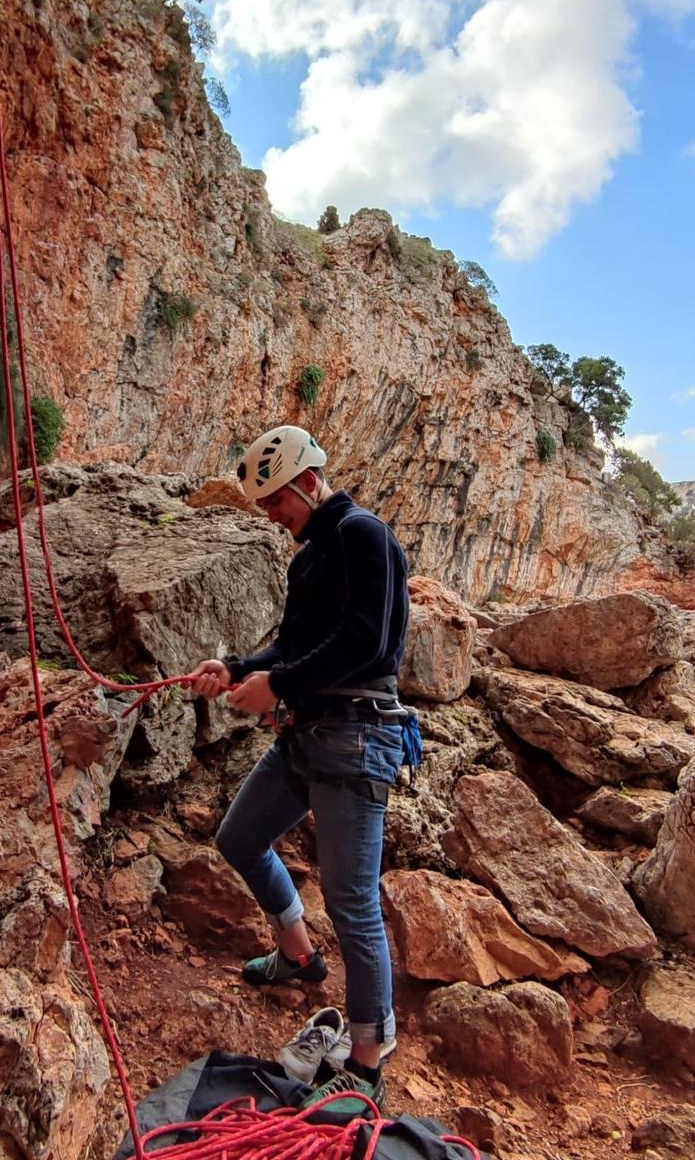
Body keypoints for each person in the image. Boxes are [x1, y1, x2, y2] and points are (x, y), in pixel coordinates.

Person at [188, 424, 418, 1114]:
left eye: (275, 501)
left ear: (306, 483)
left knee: (351, 904)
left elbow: (365, 641)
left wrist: (279, 686)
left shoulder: (363, 535)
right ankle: (296, 958)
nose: (272, 516)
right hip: (309, 735)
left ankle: (368, 1061)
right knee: (238, 838)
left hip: (355, 739)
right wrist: (236, 668)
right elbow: (292, 644)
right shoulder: (311, 556)